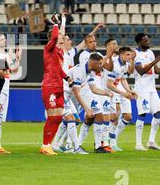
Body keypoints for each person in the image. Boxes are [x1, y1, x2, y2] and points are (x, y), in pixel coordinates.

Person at [51, 20, 104, 152]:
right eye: (66, 39)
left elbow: (84, 42)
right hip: (60, 89)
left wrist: (95, 29)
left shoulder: (71, 54)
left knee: (74, 120)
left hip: (67, 90)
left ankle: (56, 144)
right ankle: (74, 147)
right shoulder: (58, 53)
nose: (69, 41)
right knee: (70, 119)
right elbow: (59, 37)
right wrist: (61, 22)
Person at [133, 33, 160, 151]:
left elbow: (156, 70)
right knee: (142, 114)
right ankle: (138, 144)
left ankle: (151, 141)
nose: (148, 42)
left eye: (148, 40)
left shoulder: (150, 53)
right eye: (145, 40)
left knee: (159, 113)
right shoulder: (135, 54)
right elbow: (141, 71)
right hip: (141, 88)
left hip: (152, 88)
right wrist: (155, 61)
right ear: (139, 42)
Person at [76, 33, 114, 153]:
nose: (94, 43)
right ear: (86, 43)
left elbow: (108, 68)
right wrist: (108, 54)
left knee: (91, 118)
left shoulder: (98, 55)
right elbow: (96, 67)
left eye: (95, 41)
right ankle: (96, 145)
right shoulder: (84, 55)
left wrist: (109, 56)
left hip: (96, 89)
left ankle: (80, 144)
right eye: (91, 42)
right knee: (97, 116)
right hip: (86, 89)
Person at [0, 32, 21, 154]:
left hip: (5, 88)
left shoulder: (6, 54)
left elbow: (14, 70)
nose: (4, 40)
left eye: (4, 38)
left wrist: (17, 58)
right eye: (1, 39)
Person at [39, 18, 68, 156]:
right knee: (52, 117)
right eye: (60, 36)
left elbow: (58, 69)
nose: (62, 38)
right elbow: (56, 35)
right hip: (49, 86)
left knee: (58, 117)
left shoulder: (60, 52)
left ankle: (48, 144)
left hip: (59, 86)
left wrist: (67, 77)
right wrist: (56, 23)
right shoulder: (48, 48)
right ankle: (45, 145)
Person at [102, 45, 138, 152]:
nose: (129, 56)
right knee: (113, 117)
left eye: (130, 55)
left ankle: (110, 141)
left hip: (117, 89)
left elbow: (123, 78)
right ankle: (107, 142)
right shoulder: (115, 65)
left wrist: (129, 90)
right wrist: (123, 93)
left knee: (125, 116)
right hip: (109, 91)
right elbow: (109, 84)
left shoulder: (124, 64)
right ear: (121, 55)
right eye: (127, 55)